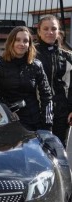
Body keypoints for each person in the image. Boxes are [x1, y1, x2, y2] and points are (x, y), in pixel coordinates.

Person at [0, 26, 53, 131]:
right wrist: (7, 111)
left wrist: (47, 124)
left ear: (29, 45)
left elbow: (47, 96)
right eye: (17, 40)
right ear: (11, 42)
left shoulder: (36, 65)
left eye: (26, 41)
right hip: (6, 122)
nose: (22, 44)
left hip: (33, 122)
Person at [35, 14, 72, 146]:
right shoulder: (29, 53)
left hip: (61, 114)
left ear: (58, 32)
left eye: (53, 28)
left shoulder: (67, 56)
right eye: (45, 29)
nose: (50, 32)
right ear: (39, 31)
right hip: (36, 113)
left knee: (58, 153)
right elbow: (3, 66)